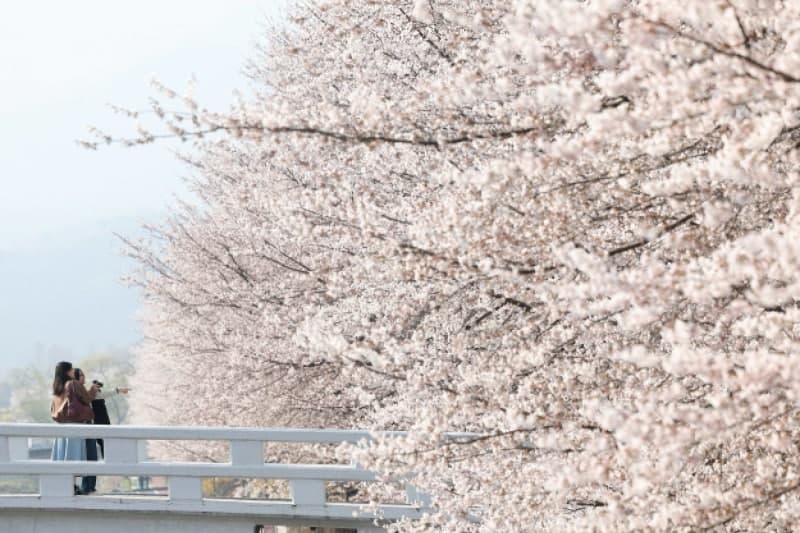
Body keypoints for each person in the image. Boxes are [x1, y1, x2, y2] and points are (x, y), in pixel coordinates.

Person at [50, 361, 98, 495]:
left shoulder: (56, 387)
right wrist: (93, 390)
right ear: (67, 371)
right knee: (74, 456)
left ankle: (65, 486)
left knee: (64, 457)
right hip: (75, 424)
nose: (73, 371)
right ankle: (72, 486)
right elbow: (87, 399)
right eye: (71, 369)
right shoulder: (72, 383)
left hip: (61, 426)